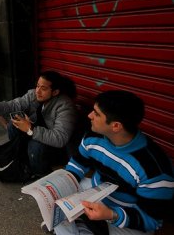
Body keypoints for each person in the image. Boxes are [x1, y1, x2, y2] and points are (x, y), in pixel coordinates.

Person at [54, 90, 174, 235]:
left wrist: (112, 214)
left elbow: (152, 220)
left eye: (96, 114)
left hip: (128, 212)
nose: (89, 115)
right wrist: (62, 184)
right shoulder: (93, 135)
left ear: (116, 126)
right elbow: (78, 163)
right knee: (56, 205)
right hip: (95, 192)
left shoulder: (154, 169)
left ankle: (87, 226)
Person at [0, 70, 77, 177]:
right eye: (37, 86)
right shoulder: (34, 95)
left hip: (57, 147)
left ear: (55, 92)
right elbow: (14, 105)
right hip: (39, 130)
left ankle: (39, 172)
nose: (38, 91)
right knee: (13, 125)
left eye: (43, 88)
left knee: (35, 146)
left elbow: (60, 138)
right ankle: (19, 155)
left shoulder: (65, 106)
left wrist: (31, 129)